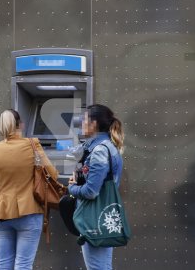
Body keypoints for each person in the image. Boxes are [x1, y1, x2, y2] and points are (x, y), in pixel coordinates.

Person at [0, 109, 58, 270]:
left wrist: (4, 186)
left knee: (3, 264)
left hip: (1, 213)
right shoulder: (32, 145)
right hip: (29, 212)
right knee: (23, 264)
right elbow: (53, 174)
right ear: (20, 125)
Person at [67, 104, 124, 270]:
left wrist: (72, 188)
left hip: (94, 218)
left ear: (94, 124)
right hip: (102, 215)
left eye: (84, 120)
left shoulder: (99, 151)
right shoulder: (107, 147)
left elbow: (91, 191)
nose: (81, 124)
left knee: (97, 267)